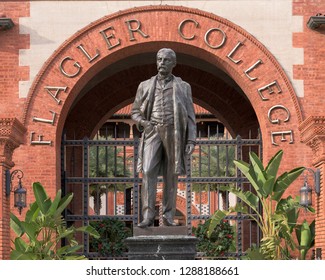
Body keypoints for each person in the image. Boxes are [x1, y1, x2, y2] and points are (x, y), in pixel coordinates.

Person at [131, 48, 196, 228]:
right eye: (159, 60)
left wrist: (191, 140)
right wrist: (144, 123)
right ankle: (147, 216)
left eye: (166, 60)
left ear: (173, 63)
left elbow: (191, 115)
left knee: (171, 175)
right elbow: (135, 112)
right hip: (152, 131)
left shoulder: (183, 87)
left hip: (174, 132)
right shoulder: (145, 85)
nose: (162, 63)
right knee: (148, 170)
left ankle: (168, 216)